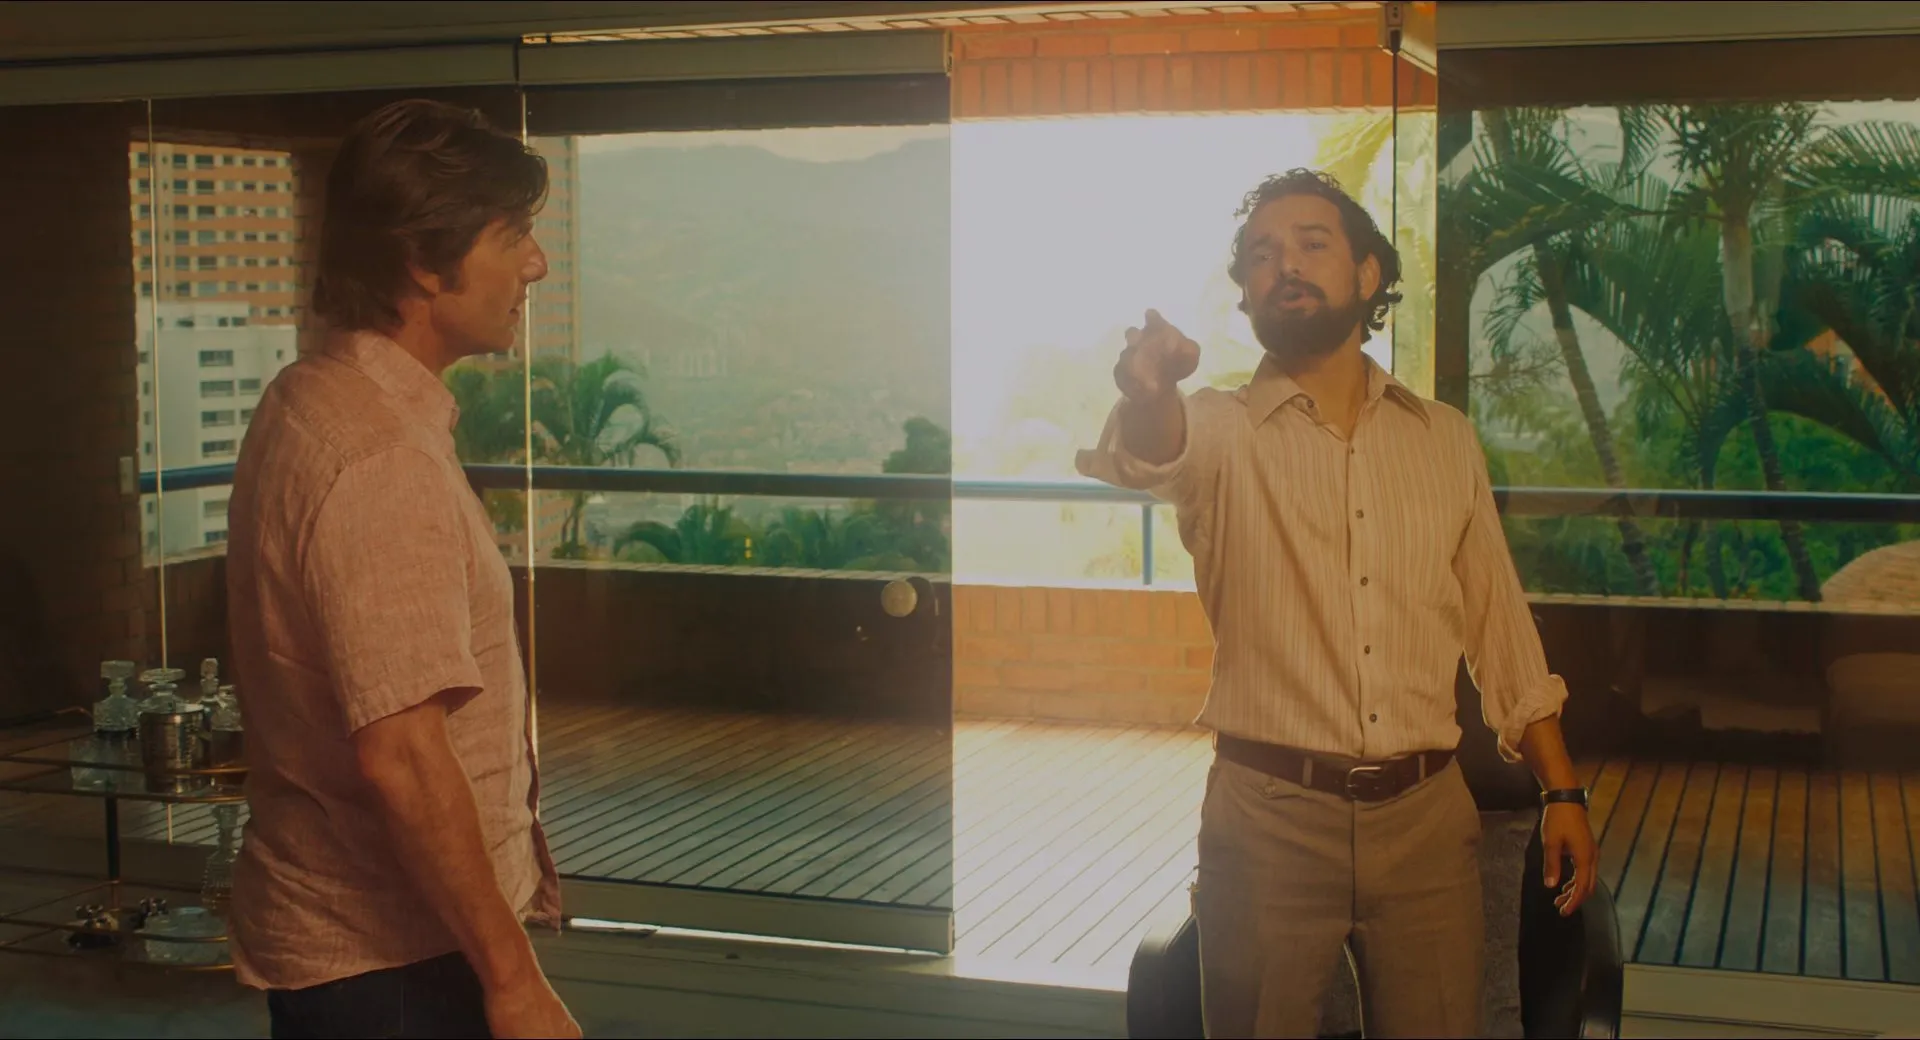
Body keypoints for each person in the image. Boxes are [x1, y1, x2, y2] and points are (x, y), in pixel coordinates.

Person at [1076, 169, 1599, 1039]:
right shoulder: (1219, 429)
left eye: (1311, 243)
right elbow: (1150, 453)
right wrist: (1150, 389)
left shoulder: (1444, 439)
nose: (1285, 264)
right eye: (1262, 254)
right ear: (1247, 293)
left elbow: (1501, 626)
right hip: (1268, 819)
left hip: (1427, 822)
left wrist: (1562, 789)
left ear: (1366, 274)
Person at [225, 99, 579, 1040]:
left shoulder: (308, 397)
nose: (537, 264)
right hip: (400, 970)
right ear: (425, 261)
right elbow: (404, 758)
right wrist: (514, 982)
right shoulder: (380, 458)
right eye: (514, 236)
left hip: (359, 961)